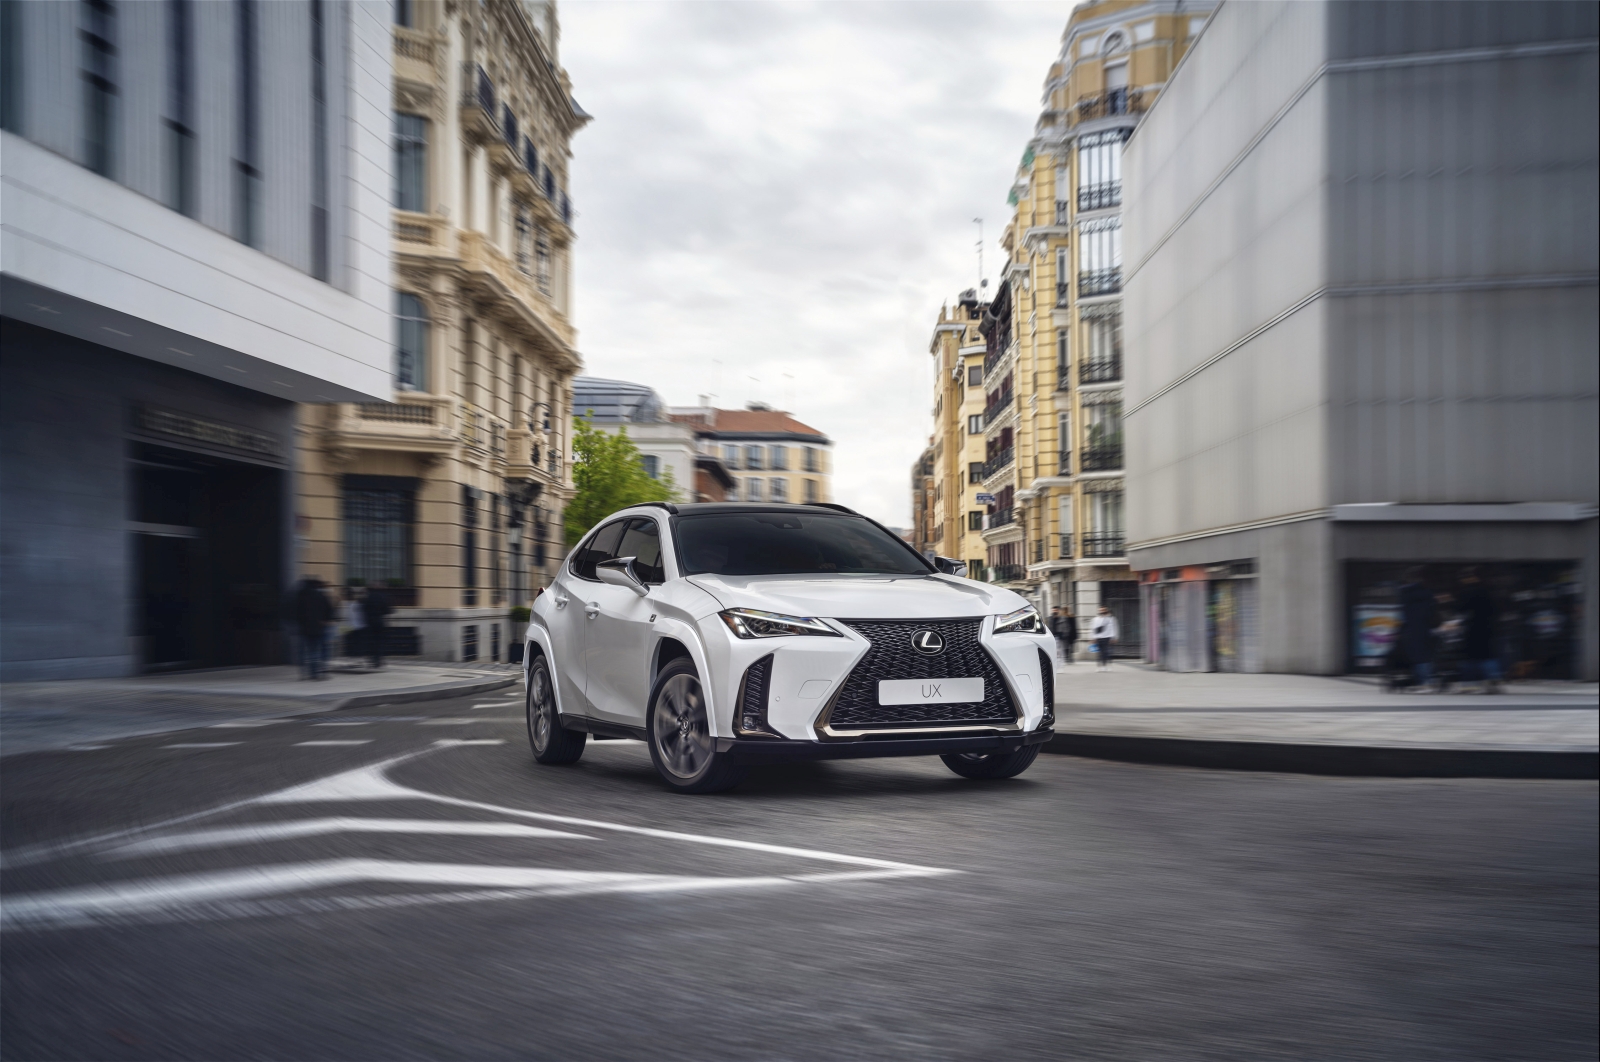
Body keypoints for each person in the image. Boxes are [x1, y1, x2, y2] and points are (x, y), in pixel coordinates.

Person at [1457, 568, 1502, 694]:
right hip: (1487, 628)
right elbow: (1495, 610)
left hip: (1472, 629)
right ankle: (1493, 682)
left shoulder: (1466, 593)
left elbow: (1460, 609)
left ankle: (1469, 684)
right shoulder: (1487, 591)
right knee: (1488, 656)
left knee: (1470, 658)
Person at [1396, 568, 1438, 692]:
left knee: (1416, 657)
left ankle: (1422, 682)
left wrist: (1401, 630)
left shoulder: (1404, 594)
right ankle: (1428, 681)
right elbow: (1432, 612)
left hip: (1411, 629)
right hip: (1425, 629)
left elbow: (1403, 615)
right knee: (1426, 656)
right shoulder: (1428, 593)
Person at [293, 577, 334, 680]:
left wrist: (300, 624)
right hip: (318, 627)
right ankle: (315, 673)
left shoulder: (300, 596)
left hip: (304, 628)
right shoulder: (320, 596)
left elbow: (296, 613)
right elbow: (329, 610)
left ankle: (305, 672)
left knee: (305, 651)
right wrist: (325, 620)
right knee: (316, 650)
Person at [363, 584, 392, 670]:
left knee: (371, 641)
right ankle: (378, 659)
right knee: (380, 641)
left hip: (370, 621)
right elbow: (388, 610)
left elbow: (364, 608)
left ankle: (372, 658)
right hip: (380, 621)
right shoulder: (383, 596)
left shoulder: (369, 596)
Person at [1089, 605, 1118, 670]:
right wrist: (1092, 638)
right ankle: (1099, 666)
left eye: (1103, 610)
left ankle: (1105, 665)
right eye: (1100, 610)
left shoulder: (1111, 619)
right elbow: (1092, 629)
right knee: (1100, 653)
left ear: (1106, 610)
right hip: (1098, 637)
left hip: (1107, 637)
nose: (1101, 611)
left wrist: (1114, 637)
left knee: (1106, 652)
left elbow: (1114, 628)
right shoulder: (1095, 619)